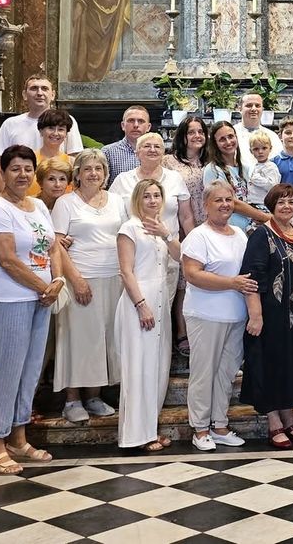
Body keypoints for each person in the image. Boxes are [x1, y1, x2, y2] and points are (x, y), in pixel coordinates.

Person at [0, 145, 63, 476]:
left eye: (28, 168)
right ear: (2, 172)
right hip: (9, 297)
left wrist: (56, 281)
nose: (22, 174)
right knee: (8, 371)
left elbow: (53, 246)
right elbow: (8, 259)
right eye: (15, 168)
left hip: (41, 297)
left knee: (30, 371)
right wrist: (44, 287)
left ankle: (18, 439)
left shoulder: (38, 205)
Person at [241, 184, 293, 449]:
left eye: (291, 201)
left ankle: (290, 421)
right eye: (281, 202)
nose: (286, 206)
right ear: (271, 206)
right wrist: (255, 315)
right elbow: (251, 279)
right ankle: (274, 423)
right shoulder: (260, 235)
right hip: (272, 316)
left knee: (292, 365)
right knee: (273, 366)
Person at [50, 149, 126, 424]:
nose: (94, 173)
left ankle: (94, 396)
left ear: (106, 173)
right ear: (78, 174)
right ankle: (72, 399)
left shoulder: (116, 200)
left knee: (104, 338)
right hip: (81, 278)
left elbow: (125, 236)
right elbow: (56, 245)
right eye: (88, 169)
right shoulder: (66, 203)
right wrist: (77, 280)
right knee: (78, 340)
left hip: (114, 278)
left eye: (99, 168)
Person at [181, 183, 254, 451]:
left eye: (229, 199)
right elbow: (192, 274)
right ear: (205, 205)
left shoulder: (240, 234)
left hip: (236, 315)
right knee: (204, 373)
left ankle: (220, 425)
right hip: (205, 314)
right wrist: (231, 283)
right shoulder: (198, 236)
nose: (225, 204)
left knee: (226, 373)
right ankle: (200, 429)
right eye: (218, 200)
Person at [110, 131, 197, 358]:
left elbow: (186, 217)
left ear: (163, 151)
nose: (152, 150)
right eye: (146, 146)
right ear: (137, 151)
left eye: (157, 146)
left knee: (162, 314)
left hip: (168, 254)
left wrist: (194, 248)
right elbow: (111, 215)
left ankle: (158, 365)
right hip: (134, 257)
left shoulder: (174, 178)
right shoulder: (123, 180)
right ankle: (136, 364)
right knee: (138, 315)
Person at [115, 179, 181, 451]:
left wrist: (167, 234)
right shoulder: (129, 228)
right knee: (138, 368)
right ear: (137, 200)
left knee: (158, 367)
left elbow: (180, 256)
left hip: (161, 299)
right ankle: (135, 434)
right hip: (139, 302)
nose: (153, 200)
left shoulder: (162, 229)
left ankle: (150, 429)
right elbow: (126, 271)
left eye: (157, 195)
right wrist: (141, 304)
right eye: (147, 196)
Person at [0, 74, 84, 171]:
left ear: (52, 95)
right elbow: (1, 165)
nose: (39, 93)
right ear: (24, 94)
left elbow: (75, 160)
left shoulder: (66, 120)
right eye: (34, 88)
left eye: (44, 89)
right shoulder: (10, 124)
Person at [204, 121, 273, 230]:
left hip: (251, 230)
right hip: (228, 231)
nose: (228, 142)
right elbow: (231, 202)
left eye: (231, 136)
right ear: (215, 143)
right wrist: (264, 217)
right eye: (222, 139)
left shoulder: (246, 167)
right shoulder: (213, 170)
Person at [164, 114, 210, 207]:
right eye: (191, 132)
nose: (197, 136)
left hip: (209, 214)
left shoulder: (211, 161)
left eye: (201, 132)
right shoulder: (167, 162)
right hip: (181, 213)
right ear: (182, 136)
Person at [104, 105, 155, 183]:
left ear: (148, 127)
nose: (136, 125)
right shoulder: (108, 152)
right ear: (123, 126)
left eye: (141, 121)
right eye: (131, 121)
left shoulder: (156, 153)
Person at [237, 93, 283, 177]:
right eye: (249, 105)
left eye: (257, 106)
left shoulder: (272, 136)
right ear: (239, 108)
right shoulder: (232, 134)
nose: (254, 109)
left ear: (262, 109)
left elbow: (278, 162)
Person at [246, 130, 282, 213]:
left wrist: (256, 178)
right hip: (252, 203)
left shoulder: (271, 167)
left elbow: (273, 186)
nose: (260, 152)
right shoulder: (253, 166)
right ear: (251, 151)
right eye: (256, 149)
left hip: (264, 204)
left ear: (270, 148)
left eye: (264, 148)